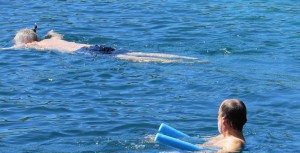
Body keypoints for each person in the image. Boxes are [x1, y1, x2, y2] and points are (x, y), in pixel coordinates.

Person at [67, 99, 247, 153]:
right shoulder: (225, 137)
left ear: (223, 120)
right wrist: (174, 139)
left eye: (216, 115)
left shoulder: (234, 143)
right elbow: (197, 144)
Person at [2, 24, 204, 63]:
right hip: (94, 45)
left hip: (85, 53)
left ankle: (185, 62)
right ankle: (185, 58)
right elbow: (57, 33)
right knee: (132, 52)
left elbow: (16, 48)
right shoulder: (52, 40)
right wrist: (48, 32)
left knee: (134, 59)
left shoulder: (37, 45)